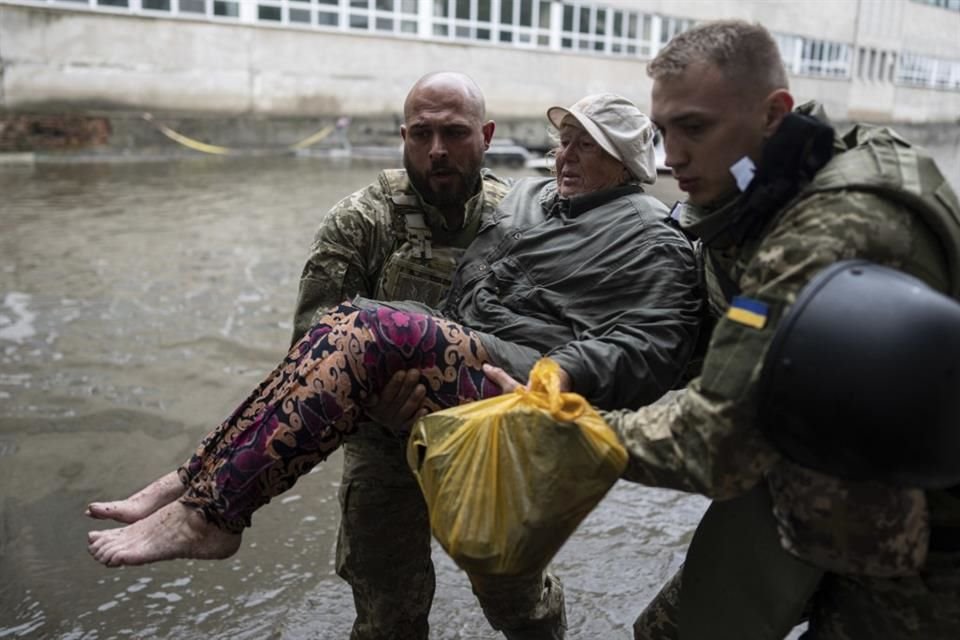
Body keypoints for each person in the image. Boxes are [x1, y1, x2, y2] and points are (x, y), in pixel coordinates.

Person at [86, 92, 703, 638]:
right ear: (403, 136)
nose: (564, 157)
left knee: (511, 591)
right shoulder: (516, 202)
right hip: (397, 417)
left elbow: (654, 344)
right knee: (346, 325)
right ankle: (201, 489)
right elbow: (309, 348)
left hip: (510, 390)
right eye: (562, 142)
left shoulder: (650, 236)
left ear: (625, 164)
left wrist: (559, 373)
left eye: (586, 148)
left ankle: (210, 507)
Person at [483, 19, 960, 640]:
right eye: (663, 130)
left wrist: (560, 427)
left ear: (774, 114)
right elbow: (702, 351)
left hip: (921, 546)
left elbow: (717, 440)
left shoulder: (832, 228)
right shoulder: (756, 193)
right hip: (805, 485)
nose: (671, 154)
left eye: (696, 128)